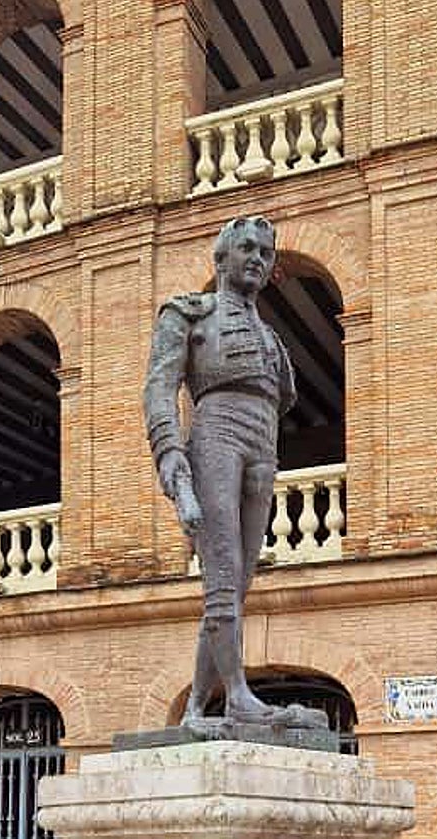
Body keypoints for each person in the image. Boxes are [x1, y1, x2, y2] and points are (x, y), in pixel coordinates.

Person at [143, 217, 326, 730]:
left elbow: (284, 395)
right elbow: (159, 387)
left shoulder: (271, 340)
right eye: (247, 248)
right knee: (223, 574)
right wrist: (170, 455)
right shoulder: (189, 313)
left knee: (237, 582)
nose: (258, 259)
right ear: (220, 258)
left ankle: (198, 707)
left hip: (263, 442)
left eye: (266, 254)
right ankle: (239, 696)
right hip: (216, 434)